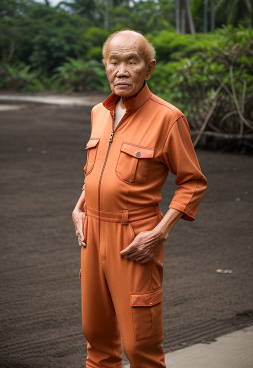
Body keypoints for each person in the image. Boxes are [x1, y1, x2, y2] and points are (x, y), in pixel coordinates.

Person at [72, 29, 207, 368]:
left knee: (140, 346)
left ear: (149, 68)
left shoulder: (168, 118)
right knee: (96, 337)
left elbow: (192, 183)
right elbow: (98, 170)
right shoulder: (98, 114)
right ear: (105, 66)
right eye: (113, 61)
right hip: (92, 237)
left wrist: (159, 233)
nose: (121, 70)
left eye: (132, 61)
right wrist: (80, 204)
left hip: (136, 238)